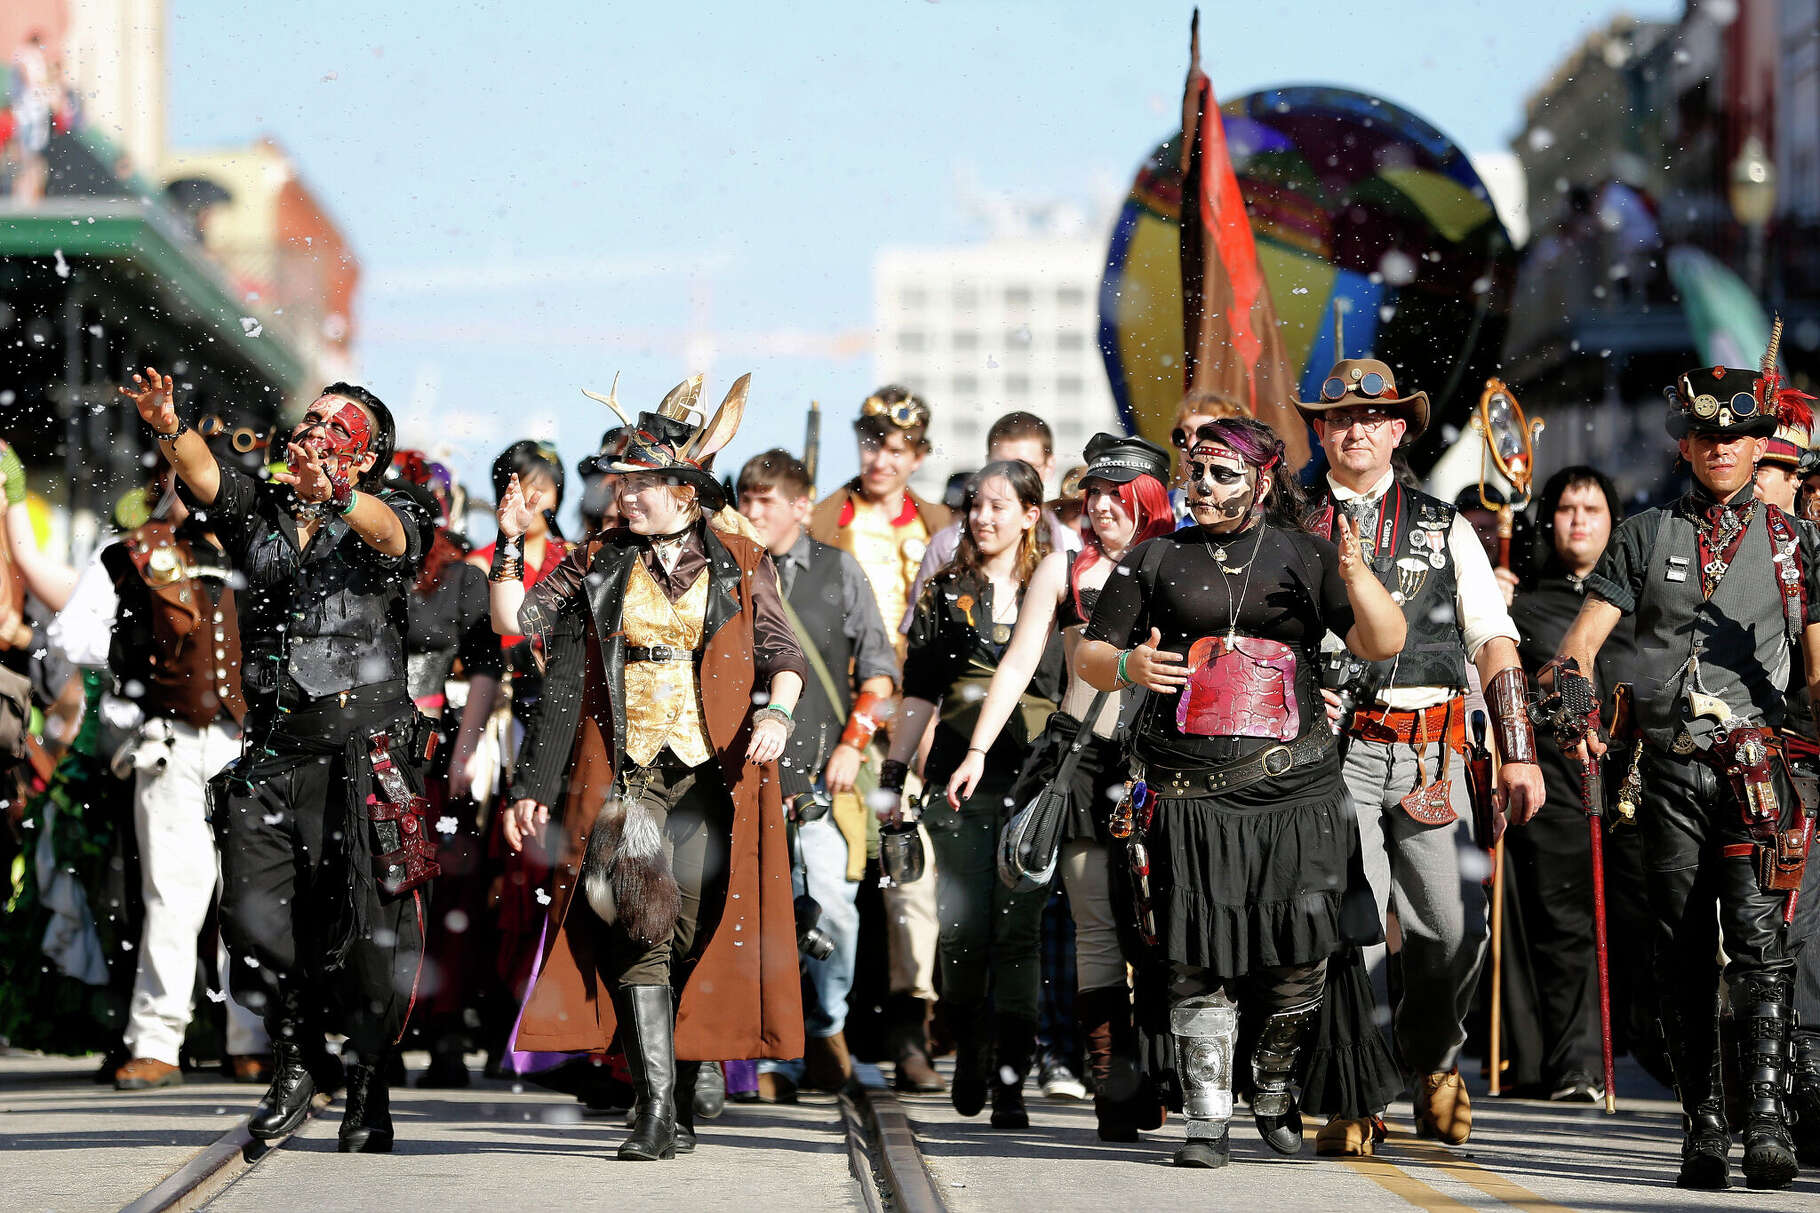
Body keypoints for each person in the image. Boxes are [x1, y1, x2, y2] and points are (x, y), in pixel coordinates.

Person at [490, 373, 808, 1162]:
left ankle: (689, 1070)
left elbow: (782, 653)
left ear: (683, 491)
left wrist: (777, 711)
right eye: (619, 484)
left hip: (711, 773)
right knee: (642, 922)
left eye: (638, 485)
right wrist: (506, 541)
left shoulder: (739, 557)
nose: (622, 496)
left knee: (697, 927)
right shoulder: (596, 559)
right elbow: (512, 623)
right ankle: (655, 1107)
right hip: (627, 775)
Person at [1074, 416, 1407, 1167]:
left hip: (1296, 792)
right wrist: (1126, 669)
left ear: (1262, 480)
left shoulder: (1309, 554)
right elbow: (1093, 649)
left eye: (1225, 474)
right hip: (1189, 794)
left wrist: (1355, 573)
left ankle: (1272, 1086)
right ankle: (1205, 1122)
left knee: (1297, 959)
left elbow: (1383, 643)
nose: (1206, 486)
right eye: (1197, 472)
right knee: (1194, 958)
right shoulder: (1153, 557)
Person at [119, 367, 435, 1153]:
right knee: (250, 918)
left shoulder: (389, 509)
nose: (314, 428)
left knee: (363, 927)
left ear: (362, 456)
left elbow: (394, 540)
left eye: (337, 425)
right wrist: (166, 420)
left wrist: (336, 497)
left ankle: (365, 1082)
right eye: (314, 416)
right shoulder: (258, 508)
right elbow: (200, 470)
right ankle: (299, 1057)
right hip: (273, 748)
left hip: (364, 752)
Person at [1557, 355, 1819, 1191]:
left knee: (1759, 945)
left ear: (1757, 443)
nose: (1722, 447)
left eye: (1738, 434)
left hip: (1761, 774)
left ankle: (1770, 1123)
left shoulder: (1793, 542)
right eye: (1707, 433)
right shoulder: (1642, 535)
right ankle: (1703, 1124)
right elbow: (1581, 645)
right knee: (1678, 951)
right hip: (1666, 776)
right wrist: (1572, 701)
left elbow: (1819, 672)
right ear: (1686, 444)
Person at [1300, 356, 1545, 1154]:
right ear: (1320, 429)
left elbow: (1493, 639)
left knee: (1451, 930)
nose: (1357, 428)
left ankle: (1435, 1060)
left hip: (1435, 750)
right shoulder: (1290, 524)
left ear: (1399, 427)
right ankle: (1359, 1092)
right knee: (1356, 932)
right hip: (1331, 756)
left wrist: (1518, 750)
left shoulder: (1447, 525)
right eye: (1340, 417)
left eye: (1374, 416)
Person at [946, 432, 1175, 1139]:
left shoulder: (1183, 562)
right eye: (1093, 494)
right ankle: (1113, 1082)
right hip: (1079, 765)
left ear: (1146, 497)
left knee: (1167, 929)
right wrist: (978, 749)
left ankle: (1166, 1067)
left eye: (1116, 494)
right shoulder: (1062, 567)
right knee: (1097, 929)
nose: (1101, 506)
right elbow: (1017, 665)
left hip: (1165, 771)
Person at [881, 459, 1062, 1129]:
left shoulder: (1061, 592)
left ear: (1029, 514)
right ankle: (971, 1039)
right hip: (954, 786)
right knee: (960, 935)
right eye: (974, 506)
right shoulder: (942, 592)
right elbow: (919, 691)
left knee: (1016, 934)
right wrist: (894, 771)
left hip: (1032, 787)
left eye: (997, 505)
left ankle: (1010, 1075)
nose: (982, 517)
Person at [94, 465, 270, 1091]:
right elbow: (82, 639)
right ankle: (157, 1040)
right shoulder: (136, 555)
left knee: (250, 895)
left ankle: (252, 1036)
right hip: (169, 740)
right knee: (173, 895)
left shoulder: (269, 549)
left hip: (249, 744)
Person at [736, 448, 899, 1099]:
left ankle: (828, 1027)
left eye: (766, 500)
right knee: (757, 916)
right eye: (745, 499)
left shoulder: (839, 569)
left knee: (831, 906)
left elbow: (881, 675)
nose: (753, 512)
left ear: (802, 505)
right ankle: (770, 1051)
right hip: (742, 776)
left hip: (821, 776)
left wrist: (855, 743)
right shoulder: (724, 572)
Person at [807, 386, 950, 1093]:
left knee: (906, 881)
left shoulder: (944, 527)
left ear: (917, 456)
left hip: (913, 728)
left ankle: (906, 1028)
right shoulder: (821, 520)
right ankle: (825, 1028)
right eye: (871, 443)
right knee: (836, 877)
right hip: (837, 722)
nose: (880, 458)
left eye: (896, 448)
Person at [1505, 467, 1643, 1101]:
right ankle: (1575, 1065)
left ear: (1614, 521)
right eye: (1565, 508)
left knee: (1641, 920)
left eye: (1593, 507)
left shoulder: (1635, 603)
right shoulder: (1524, 605)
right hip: (1559, 787)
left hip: (1637, 786)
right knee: (1565, 926)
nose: (1579, 519)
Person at [388, 450, 505, 1088]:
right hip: (371, 748)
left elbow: (487, 665)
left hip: (436, 757)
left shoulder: (462, 578)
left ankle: (447, 1032)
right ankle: (378, 1027)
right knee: (379, 890)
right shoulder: (366, 571)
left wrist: (463, 751)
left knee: (449, 896)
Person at [901, 411, 1080, 630]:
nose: (1009, 480)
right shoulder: (948, 543)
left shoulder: (1072, 546)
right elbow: (918, 633)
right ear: (986, 465)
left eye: (1025, 468)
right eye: (1000, 467)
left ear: (1049, 466)